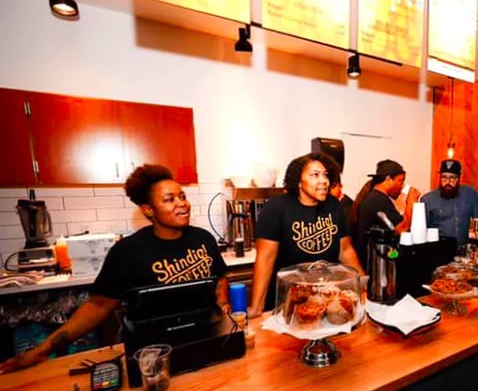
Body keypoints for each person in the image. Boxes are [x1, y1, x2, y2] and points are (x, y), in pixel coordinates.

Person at [0, 164, 230, 374]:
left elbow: (220, 277)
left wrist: (223, 307)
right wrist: (42, 349)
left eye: (182, 196)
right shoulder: (128, 252)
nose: (182, 203)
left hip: (205, 340)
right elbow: (98, 307)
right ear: (148, 210)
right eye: (169, 199)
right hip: (154, 354)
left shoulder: (203, 239)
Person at [248, 152, 364, 318]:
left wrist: (362, 284)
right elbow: (265, 258)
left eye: (325, 175)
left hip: (326, 297)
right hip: (288, 302)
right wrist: (257, 306)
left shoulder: (333, 206)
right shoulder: (277, 207)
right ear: (299, 182)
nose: (323, 181)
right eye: (315, 175)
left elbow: (345, 250)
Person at [353, 159, 420, 269]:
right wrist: (411, 202)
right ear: (388, 179)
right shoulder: (378, 200)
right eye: (400, 181)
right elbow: (402, 229)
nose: (402, 186)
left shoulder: (374, 197)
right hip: (374, 263)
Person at [419, 159, 478, 250]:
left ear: (459, 178)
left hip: (463, 251)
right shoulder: (428, 199)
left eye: (452, 178)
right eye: (444, 177)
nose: (447, 182)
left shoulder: (470, 194)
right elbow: (421, 232)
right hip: (438, 251)